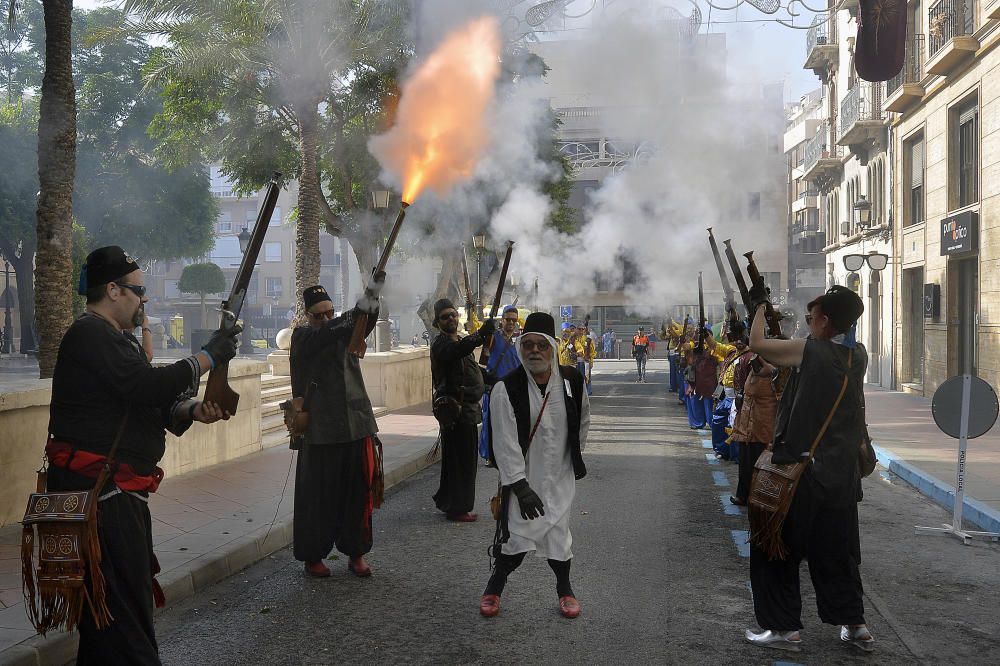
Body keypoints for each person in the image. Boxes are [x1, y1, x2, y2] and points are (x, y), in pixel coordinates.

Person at [46, 246, 241, 665]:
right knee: (124, 623)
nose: (145, 299)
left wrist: (192, 409)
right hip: (101, 499)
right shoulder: (89, 333)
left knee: (114, 622)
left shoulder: (115, 340)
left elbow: (148, 403)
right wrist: (208, 356)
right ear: (113, 290)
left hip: (116, 498)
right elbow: (145, 387)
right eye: (139, 290)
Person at [744, 285, 874, 653]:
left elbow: (757, 342)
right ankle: (855, 625)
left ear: (826, 320)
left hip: (804, 476)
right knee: (836, 553)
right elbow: (794, 373)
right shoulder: (857, 356)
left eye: (813, 316)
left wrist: (757, 307)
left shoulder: (810, 350)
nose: (808, 321)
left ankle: (783, 629)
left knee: (775, 548)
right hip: (841, 477)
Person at [480, 312, 589, 619]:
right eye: (528, 345)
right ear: (520, 348)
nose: (534, 351)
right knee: (515, 537)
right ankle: (493, 588)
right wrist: (520, 485)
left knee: (558, 536)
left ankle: (565, 591)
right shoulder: (507, 388)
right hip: (523, 481)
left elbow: (582, 420)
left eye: (541, 345)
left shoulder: (572, 381)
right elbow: (504, 442)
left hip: (560, 477)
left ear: (552, 348)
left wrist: (574, 457)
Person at [290, 277, 383, 578]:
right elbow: (329, 333)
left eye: (330, 312)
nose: (326, 319)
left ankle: (356, 552)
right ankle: (313, 555)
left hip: (355, 425)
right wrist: (348, 317)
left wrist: (372, 295)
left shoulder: (346, 327)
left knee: (358, 494)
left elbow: (365, 320)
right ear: (308, 316)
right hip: (319, 429)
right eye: (319, 315)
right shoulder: (303, 337)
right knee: (317, 499)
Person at [430, 298, 495, 522]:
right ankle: (457, 508)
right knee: (461, 463)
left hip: (466, 411)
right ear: (437, 322)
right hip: (454, 412)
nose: (450, 319)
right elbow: (455, 351)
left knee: (463, 460)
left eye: (453, 315)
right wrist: (479, 335)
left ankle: (451, 503)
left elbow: (474, 369)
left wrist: (496, 380)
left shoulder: (458, 342)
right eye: (445, 316)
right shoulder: (442, 344)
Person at [729, 354, 780, 506]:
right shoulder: (754, 368)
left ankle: (758, 498)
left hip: (764, 426)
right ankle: (742, 495)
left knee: (760, 465)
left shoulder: (777, 373)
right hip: (746, 424)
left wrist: (772, 371)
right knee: (745, 463)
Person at [479, 305, 523, 462]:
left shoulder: (518, 342)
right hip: (494, 388)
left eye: (514, 320)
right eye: (508, 319)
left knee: (510, 424)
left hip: (512, 389)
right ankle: (490, 455)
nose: (511, 322)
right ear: (502, 320)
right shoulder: (493, 337)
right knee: (491, 422)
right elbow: (482, 350)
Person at [577, 324, 597, 396]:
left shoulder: (588, 340)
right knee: (578, 377)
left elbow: (592, 351)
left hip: (585, 362)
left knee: (587, 376)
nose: (581, 331)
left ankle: (588, 391)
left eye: (582, 329)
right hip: (576, 362)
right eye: (579, 329)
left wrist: (591, 361)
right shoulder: (574, 339)